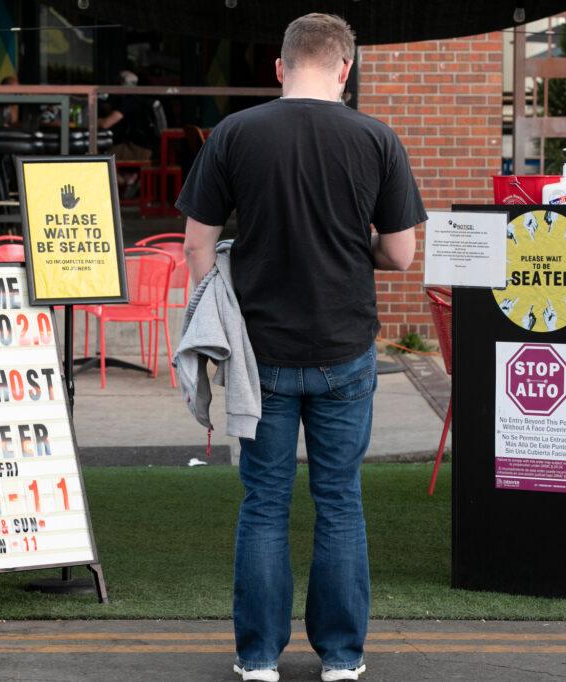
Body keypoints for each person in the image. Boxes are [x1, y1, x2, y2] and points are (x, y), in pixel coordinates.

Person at [176, 13, 424, 682]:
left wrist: (218, 313)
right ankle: (341, 658)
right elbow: (402, 254)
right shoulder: (377, 137)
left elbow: (197, 243)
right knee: (340, 499)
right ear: (345, 69)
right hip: (345, 347)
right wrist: (356, 242)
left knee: (264, 501)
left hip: (261, 356)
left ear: (281, 67)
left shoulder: (234, 134)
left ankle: (258, 659)